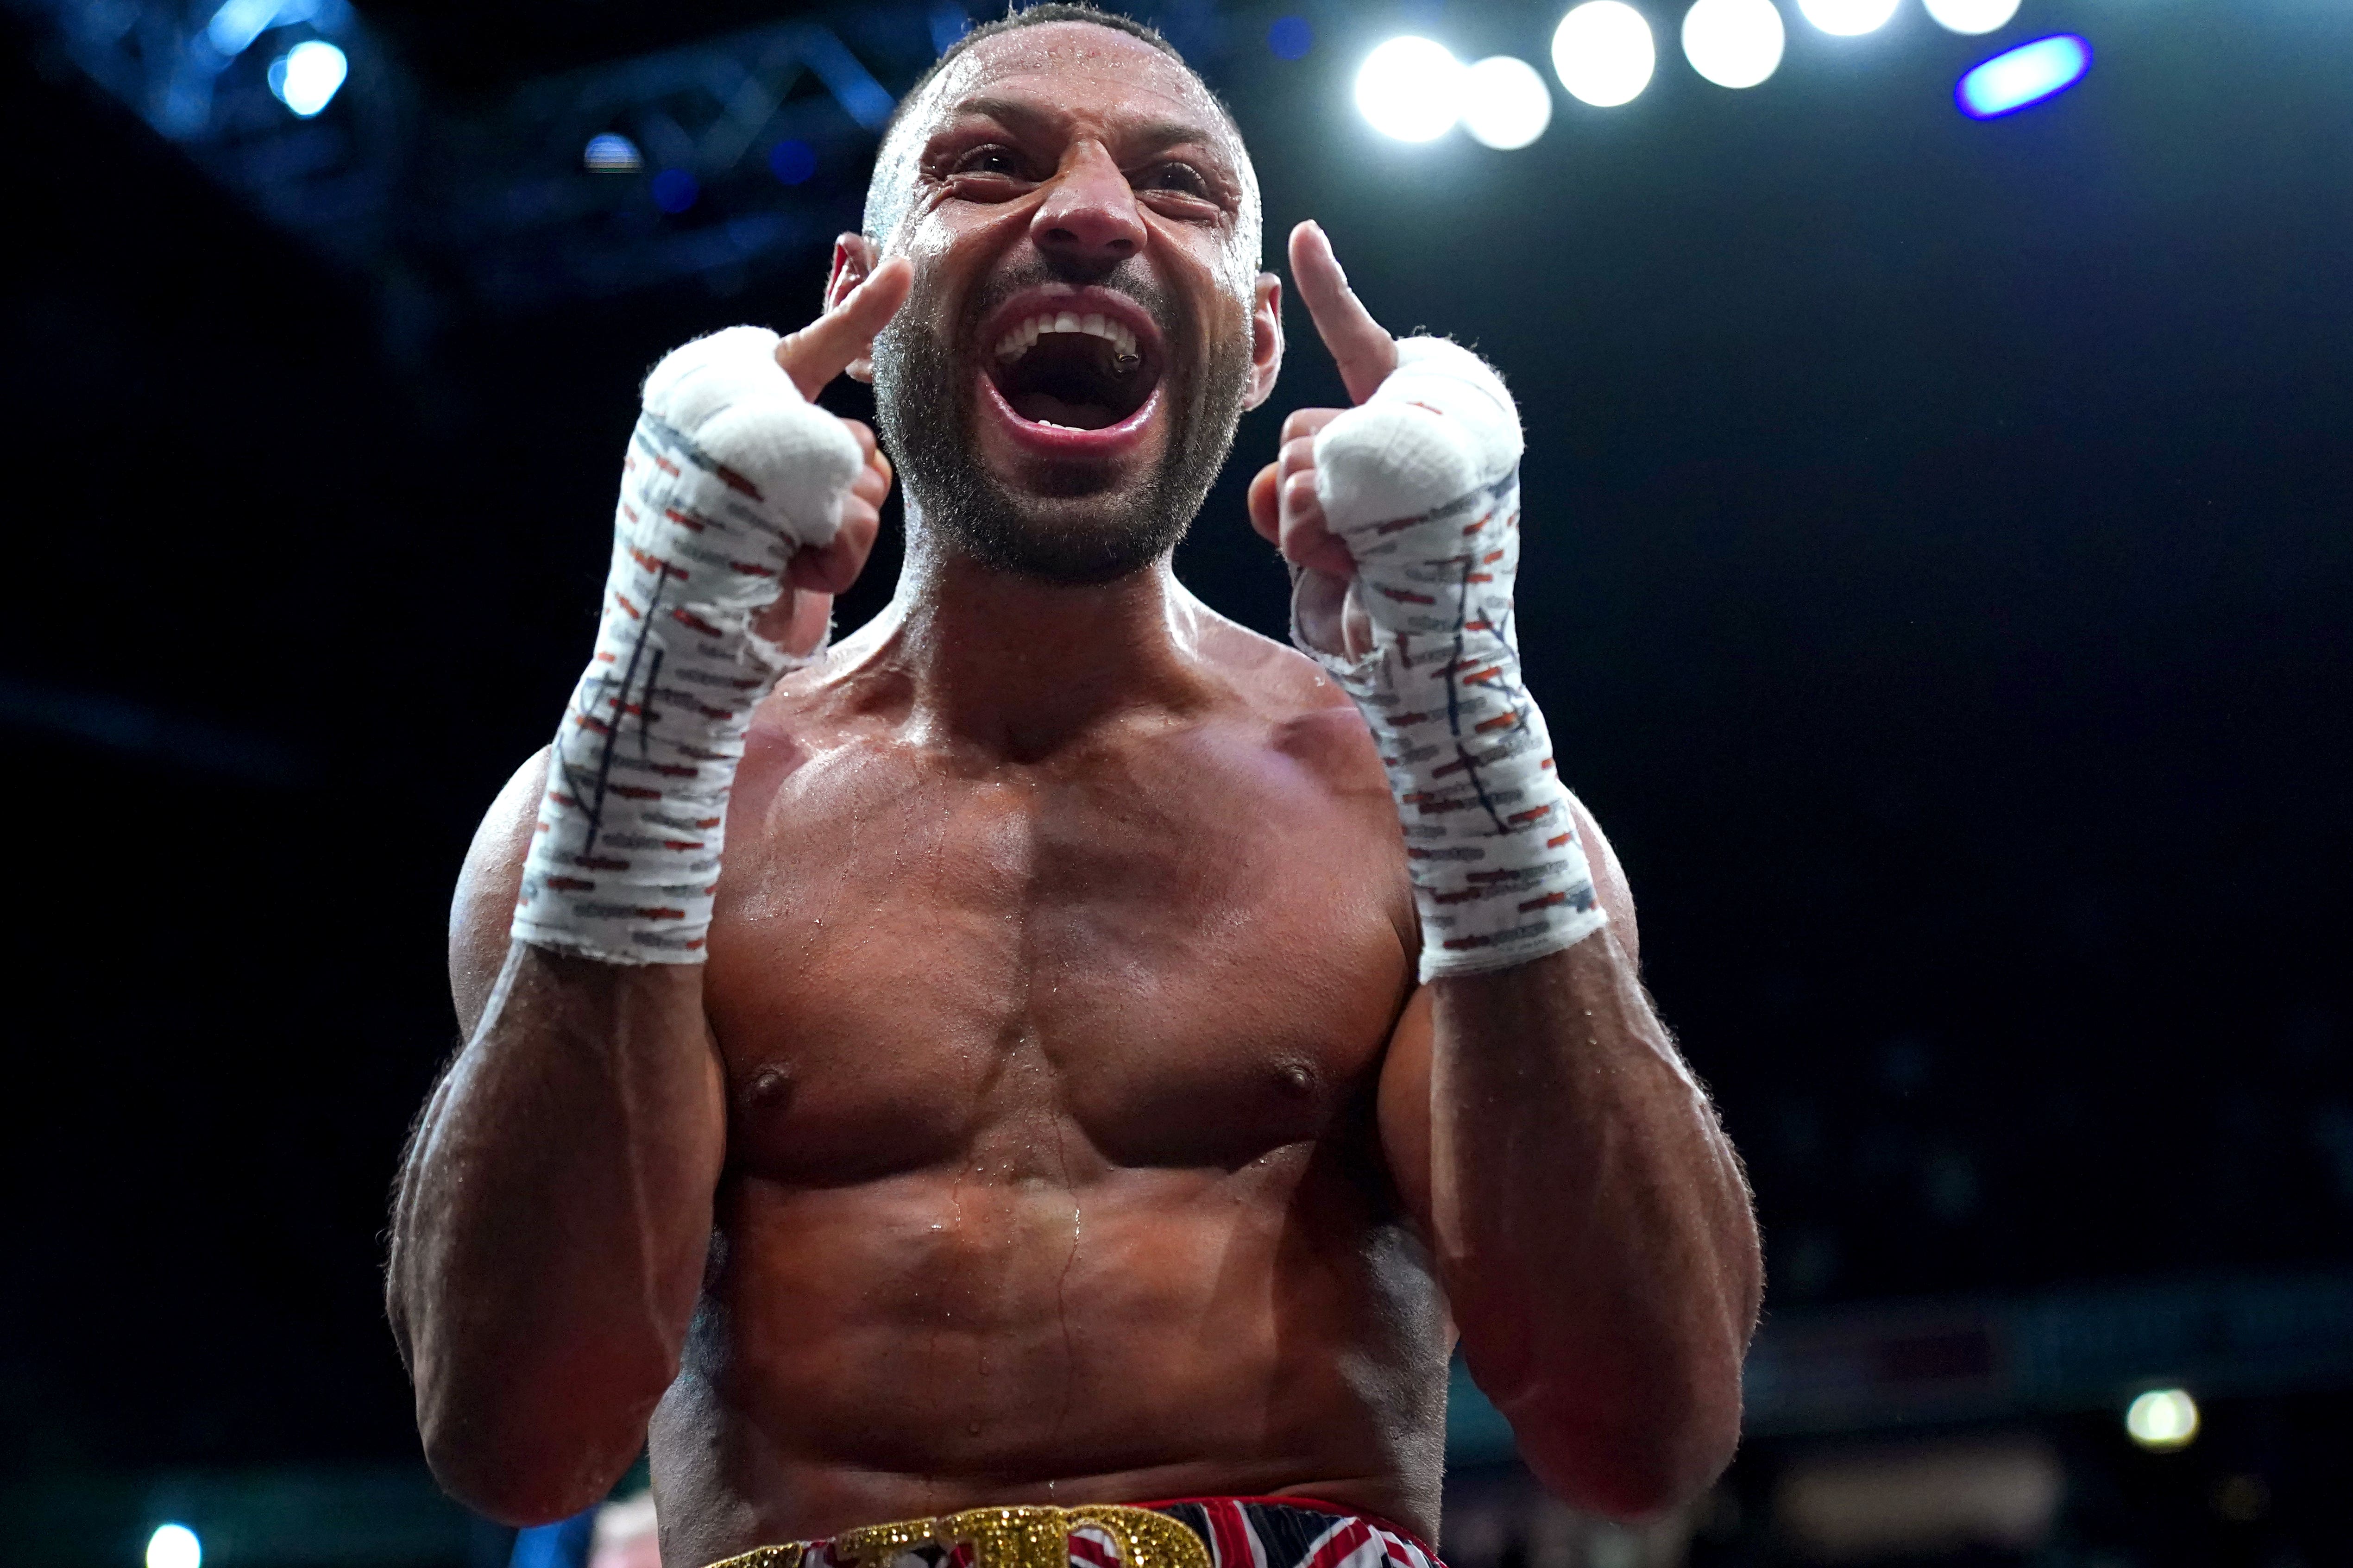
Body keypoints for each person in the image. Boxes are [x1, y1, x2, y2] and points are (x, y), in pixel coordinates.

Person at [385, 8, 1762, 1568]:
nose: (1094, 213)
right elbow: (516, 1435)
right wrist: (647, 736)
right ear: (860, 294)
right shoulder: (634, 806)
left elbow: (1640, 1427)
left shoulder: (1422, 802)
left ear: (1255, 349)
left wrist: (1465, 720)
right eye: (990, 164)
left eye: (1178, 187)